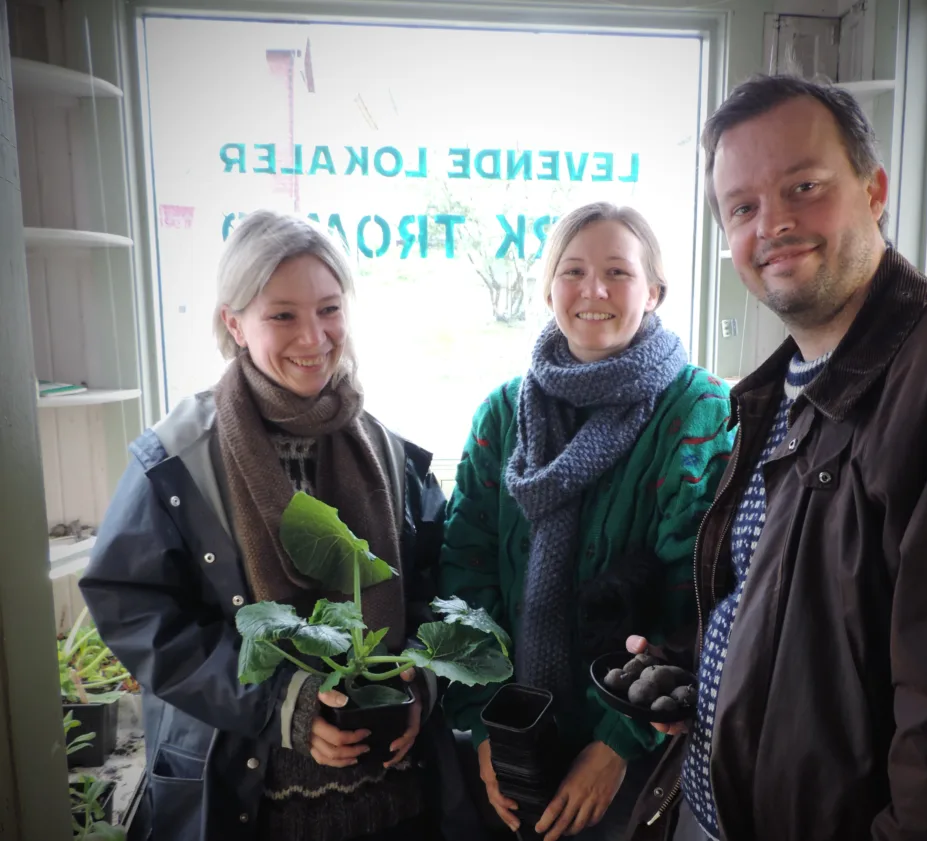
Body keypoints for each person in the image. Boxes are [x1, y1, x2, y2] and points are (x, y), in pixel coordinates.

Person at [626, 74, 927, 841]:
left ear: (874, 190)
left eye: (803, 186)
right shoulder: (774, 394)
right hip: (713, 808)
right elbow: (801, 613)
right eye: (742, 207)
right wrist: (706, 674)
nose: (772, 223)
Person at [79, 210, 470, 841]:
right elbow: (134, 611)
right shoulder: (176, 461)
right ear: (234, 323)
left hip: (397, 804)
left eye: (330, 308)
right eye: (282, 314)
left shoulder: (390, 453)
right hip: (247, 800)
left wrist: (420, 679)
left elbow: (437, 584)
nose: (313, 336)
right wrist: (278, 703)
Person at [438, 202, 735, 841]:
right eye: (572, 271)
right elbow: (466, 572)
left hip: (640, 750)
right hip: (513, 740)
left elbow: (699, 598)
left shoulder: (696, 409)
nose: (593, 290)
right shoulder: (502, 412)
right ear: (548, 289)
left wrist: (615, 746)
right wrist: (490, 729)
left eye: (617, 272)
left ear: (654, 292)